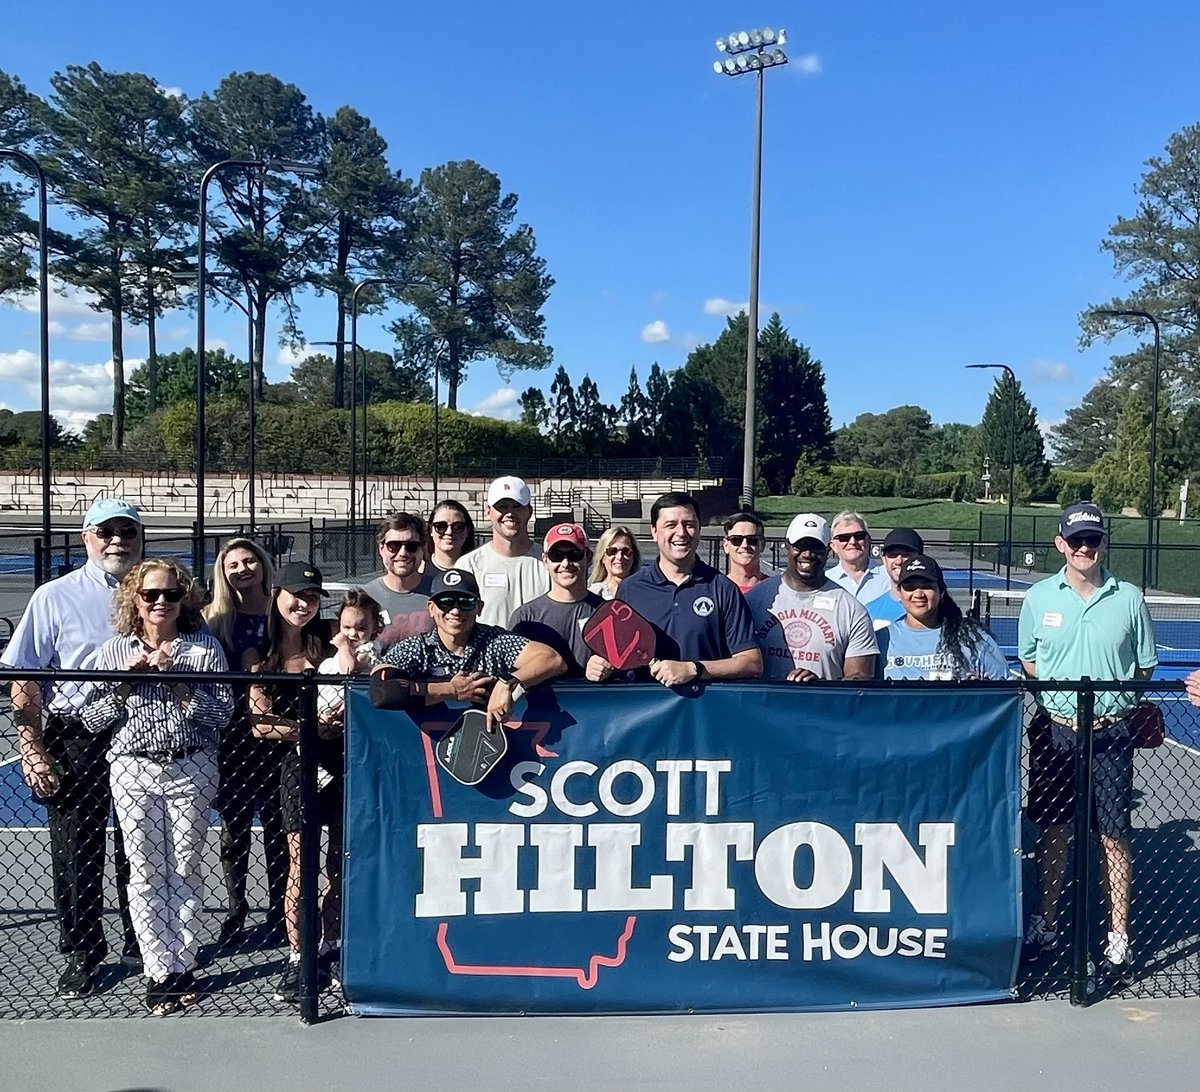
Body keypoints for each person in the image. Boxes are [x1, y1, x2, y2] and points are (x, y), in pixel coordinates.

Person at [2, 497, 144, 999]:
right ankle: (83, 950)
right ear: (86, 537)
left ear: (139, 539)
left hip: (142, 734)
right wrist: (32, 747)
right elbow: (25, 673)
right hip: (77, 734)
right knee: (76, 846)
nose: (116, 542)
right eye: (105, 532)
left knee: (141, 844)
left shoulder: (160, 593)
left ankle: (141, 939)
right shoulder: (53, 596)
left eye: (126, 532)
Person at [80, 558, 233, 1015]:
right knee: (145, 870)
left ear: (182, 598)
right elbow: (91, 719)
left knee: (185, 864)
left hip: (191, 765)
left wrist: (180, 682)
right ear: (136, 600)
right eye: (150, 595)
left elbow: (220, 717)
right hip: (133, 767)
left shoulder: (203, 651)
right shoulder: (113, 652)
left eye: (169, 594)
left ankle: (183, 961)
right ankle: (157, 968)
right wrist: (126, 684)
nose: (161, 602)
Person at [1018, 503, 1157, 985]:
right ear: (1060, 543)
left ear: (1103, 543)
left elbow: (1145, 666)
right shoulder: (1037, 598)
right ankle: (1047, 924)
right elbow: (1030, 661)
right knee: (1054, 831)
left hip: (1111, 733)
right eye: (1075, 540)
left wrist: (1111, 706)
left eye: (1092, 540)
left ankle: (1118, 939)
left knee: (1113, 836)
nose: (1083, 547)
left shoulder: (1131, 599)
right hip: (1054, 731)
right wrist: (1059, 703)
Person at [246, 562, 337, 1006]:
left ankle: (332, 947)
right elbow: (260, 725)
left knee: (342, 862)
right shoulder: (258, 653)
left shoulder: (331, 645)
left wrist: (333, 724)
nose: (303, 604)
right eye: (296, 595)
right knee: (302, 866)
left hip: (341, 765)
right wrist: (310, 729)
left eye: (312, 597)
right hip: (297, 770)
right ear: (277, 595)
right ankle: (299, 954)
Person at [204, 536, 288, 947]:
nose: (242, 569)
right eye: (233, 564)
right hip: (230, 737)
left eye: (249, 561)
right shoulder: (211, 618)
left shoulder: (281, 612)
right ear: (223, 572)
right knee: (234, 829)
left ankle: (279, 910)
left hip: (276, 735)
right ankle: (236, 910)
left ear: (263, 565)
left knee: (279, 826)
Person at [375, 568, 567, 727]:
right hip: (425, 753)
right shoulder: (416, 648)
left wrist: (507, 682)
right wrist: (451, 690)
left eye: (466, 602)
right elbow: (381, 692)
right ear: (431, 608)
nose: (456, 610)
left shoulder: (496, 641)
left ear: (479, 607)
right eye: (446, 602)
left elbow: (552, 659)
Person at [617, 492, 761, 687]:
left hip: (704, 711)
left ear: (699, 530)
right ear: (654, 532)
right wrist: (598, 663)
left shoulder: (723, 589)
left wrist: (695, 669)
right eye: (670, 525)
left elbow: (752, 663)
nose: (681, 532)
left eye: (689, 524)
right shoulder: (630, 589)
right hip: (643, 712)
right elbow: (617, 651)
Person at [747, 513, 877, 682]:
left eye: (816, 547)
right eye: (800, 546)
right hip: (762, 705)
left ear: (828, 550)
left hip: (822, 707)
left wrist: (819, 686)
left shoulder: (851, 609)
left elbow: (860, 677)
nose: (807, 554)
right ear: (787, 546)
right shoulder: (755, 599)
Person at [878, 555, 1009, 680]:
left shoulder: (973, 638)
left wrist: (982, 689)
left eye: (926, 586)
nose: (918, 594)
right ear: (900, 593)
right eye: (910, 587)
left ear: (941, 592)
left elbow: (1006, 691)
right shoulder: (882, 639)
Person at [510, 524, 610, 680]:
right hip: (544, 702)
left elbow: (626, 664)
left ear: (589, 558)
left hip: (593, 700)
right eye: (556, 555)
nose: (565, 564)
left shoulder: (607, 613)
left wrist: (608, 666)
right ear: (545, 560)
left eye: (574, 554)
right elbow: (511, 673)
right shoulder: (525, 616)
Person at [459, 476, 550, 626]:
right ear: (487, 512)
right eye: (502, 507)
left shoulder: (549, 563)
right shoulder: (468, 565)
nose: (509, 513)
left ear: (529, 511)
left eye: (517, 506)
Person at [362, 513, 435, 648]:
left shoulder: (439, 592)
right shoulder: (363, 597)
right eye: (394, 545)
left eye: (411, 546)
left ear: (422, 549)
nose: (403, 553)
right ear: (381, 549)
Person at [825, 511, 891, 608]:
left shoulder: (888, 577)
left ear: (868, 540)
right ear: (833, 546)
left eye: (859, 536)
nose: (852, 542)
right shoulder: (825, 581)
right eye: (844, 538)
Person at [868, 528, 926, 629]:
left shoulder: (932, 609)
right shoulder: (869, 611)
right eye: (892, 555)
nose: (898, 561)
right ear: (884, 560)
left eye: (906, 555)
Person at [588, 525, 642, 601]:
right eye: (612, 551)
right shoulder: (592, 595)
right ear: (603, 557)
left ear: (634, 557)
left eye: (626, 551)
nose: (619, 557)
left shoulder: (644, 593)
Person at [722, 511, 770, 594]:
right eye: (736, 539)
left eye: (751, 539)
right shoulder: (716, 589)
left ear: (762, 544)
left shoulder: (776, 589)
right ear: (726, 545)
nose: (744, 545)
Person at [425, 499, 477, 573]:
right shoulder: (417, 572)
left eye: (458, 527)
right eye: (441, 526)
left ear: (467, 531)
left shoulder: (478, 571)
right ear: (431, 530)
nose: (449, 532)